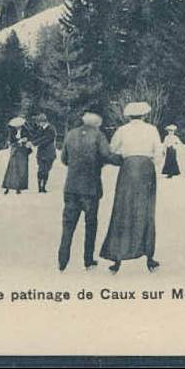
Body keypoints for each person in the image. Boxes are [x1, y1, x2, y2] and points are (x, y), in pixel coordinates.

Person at [100, 101, 162, 274]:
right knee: (146, 211)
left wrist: (125, 158)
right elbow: (158, 153)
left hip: (128, 169)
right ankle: (149, 257)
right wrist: (151, 163)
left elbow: (111, 149)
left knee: (123, 210)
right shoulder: (151, 129)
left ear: (128, 116)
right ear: (144, 115)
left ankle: (117, 258)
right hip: (145, 169)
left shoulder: (122, 130)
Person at [58, 112, 121, 271]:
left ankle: (62, 260)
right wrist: (124, 160)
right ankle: (88, 260)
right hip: (90, 187)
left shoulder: (71, 134)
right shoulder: (98, 136)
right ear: (97, 124)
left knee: (68, 225)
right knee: (90, 224)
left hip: (71, 186)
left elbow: (64, 159)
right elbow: (107, 155)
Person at [3, 118, 32, 195]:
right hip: (15, 150)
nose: (17, 127)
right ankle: (8, 186)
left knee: (22, 169)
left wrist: (25, 140)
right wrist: (13, 142)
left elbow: (30, 138)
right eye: (16, 126)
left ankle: (19, 187)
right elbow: (11, 141)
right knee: (12, 169)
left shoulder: (26, 131)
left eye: (18, 126)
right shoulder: (12, 132)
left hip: (23, 151)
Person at [32, 113, 57, 193]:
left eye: (40, 122)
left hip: (49, 153)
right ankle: (40, 187)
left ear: (44, 121)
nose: (39, 124)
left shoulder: (51, 129)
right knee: (40, 170)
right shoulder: (40, 129)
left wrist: (34, 143)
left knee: (46, 170)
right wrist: (31, 140)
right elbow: (36, 136)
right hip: (41, 153)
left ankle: (43, 186)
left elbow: (45, 139)